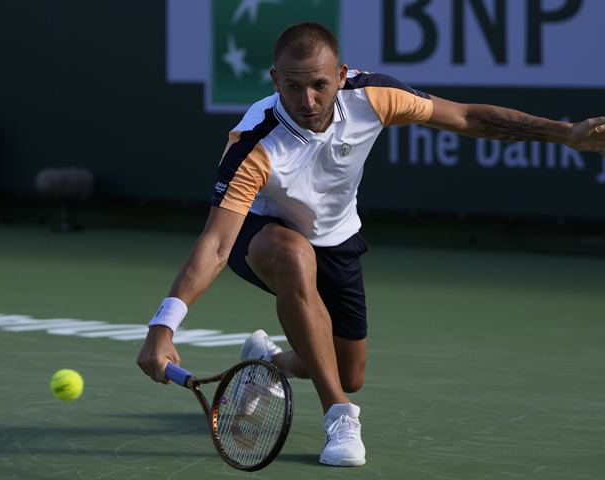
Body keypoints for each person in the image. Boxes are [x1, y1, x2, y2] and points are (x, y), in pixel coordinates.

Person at [137, 22, 605, 467]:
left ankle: (266, 364)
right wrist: (164, 326)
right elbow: (217, 245)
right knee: (294, 257)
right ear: (274, 80)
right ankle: (338, 417)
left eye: (319, 84)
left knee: (351, 371)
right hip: (263, 237)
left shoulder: (373, 95)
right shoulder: (254, 145)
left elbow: (463, 116)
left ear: (341, 75)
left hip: (337, 237)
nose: (307, 99)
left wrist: (565, 134)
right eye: (293, 86)